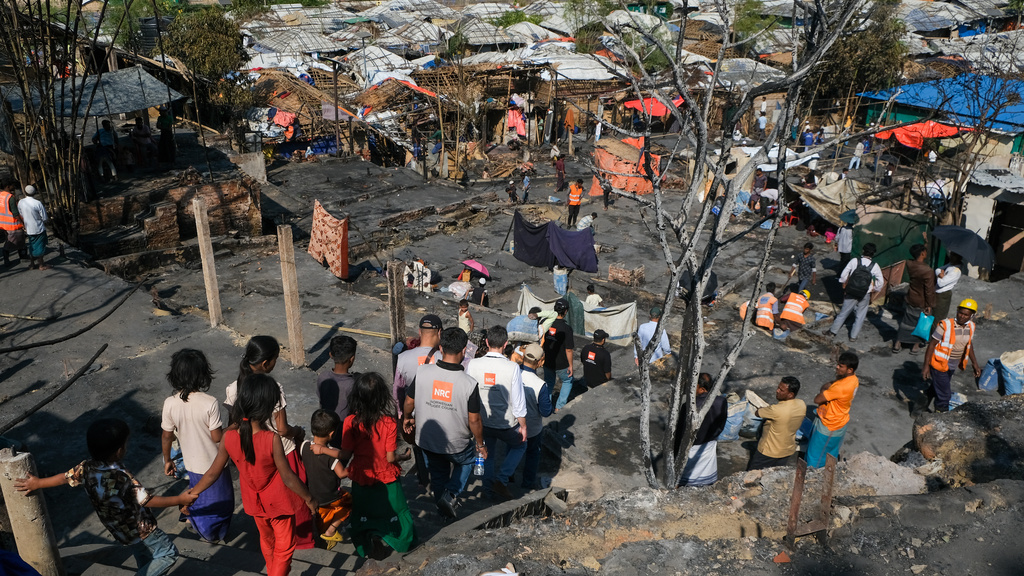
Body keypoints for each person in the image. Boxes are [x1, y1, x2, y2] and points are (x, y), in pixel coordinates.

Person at [15, 419, 195, 576]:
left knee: (145, 557)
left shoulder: (86, 467)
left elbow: (64, 477)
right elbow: (146, 500)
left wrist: (38, 483)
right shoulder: (121, 475)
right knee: (168, 553)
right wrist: (179, 500)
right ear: (119, 451)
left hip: (119, 530)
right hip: (142, 528)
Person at [191, 375, 318, 576]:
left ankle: (271, 570)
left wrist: (193, 493)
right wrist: (309, 498)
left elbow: (213, 472)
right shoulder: (271, 439)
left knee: (267, 540)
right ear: (267, 408)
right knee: (284, 548)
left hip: (254, 503)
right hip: (279, 504)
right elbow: (287, 476)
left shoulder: (229, 437)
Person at [224, 336, 313, 550]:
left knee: (264, 497)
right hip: (281, 449)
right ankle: (300, 542)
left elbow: (233, 425)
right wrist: (299, 431)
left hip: (251, 451)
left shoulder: (232, 388)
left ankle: (272, 540)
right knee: (294, 497)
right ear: (266, 363)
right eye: (275, 360)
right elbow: (282, 428)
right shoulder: (274, 387)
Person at [402, 327, 485, 519]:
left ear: (441, 348)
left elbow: (408, 402)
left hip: (428, 440)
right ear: (464, 351)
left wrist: (407, 417)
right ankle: (452, 494)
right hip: (457, 443)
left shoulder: (423, 372)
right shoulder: (469, 384)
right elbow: (474, 420)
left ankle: (443, 511)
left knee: (438, 475)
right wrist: (480, 444)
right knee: (468, 460)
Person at [336, 373, 415, 558]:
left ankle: (369, 538)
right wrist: (402, 457)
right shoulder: (388, 422)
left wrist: (325, 453)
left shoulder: (350, 422)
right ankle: (394, 538)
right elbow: (389, 458)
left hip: (362, 475)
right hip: (386, 476)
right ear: (381, 398)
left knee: (364, 511)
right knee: (395, 510)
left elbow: (345, 454)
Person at [160, 349, 232, 544]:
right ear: (202, 375)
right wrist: (233, 427)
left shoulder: (170, 403)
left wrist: (167, 460)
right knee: (220, 503)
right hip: (215, 464)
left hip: (191, 464)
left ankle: (193, 518)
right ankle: (210, 534)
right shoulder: (210, 403)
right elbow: (217, 436)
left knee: (198, 494)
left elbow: (166, 436)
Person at [467, 326, 528, 500]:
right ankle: (501, 480)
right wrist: (523, 426)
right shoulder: (512, 367)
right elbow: (518, 402)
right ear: (505, 344)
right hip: (506, 423)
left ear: (486, 342)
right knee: (520, 445)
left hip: (481, 421)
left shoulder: (473, 364)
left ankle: (487, 489)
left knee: (488, 453)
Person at [393, 314, 443, 487]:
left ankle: (424, 479)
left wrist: (401, 415)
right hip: (438, 412)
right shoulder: (443, 358)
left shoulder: (403, 358)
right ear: (439, 332)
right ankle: (437, 482)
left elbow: (397, 391)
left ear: (420, 332)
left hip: (412, 413)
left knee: (418, 446)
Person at [299, 410, 352, 550]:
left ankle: (323, 540)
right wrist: (355, 468)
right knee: (349, 503)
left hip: (313, 496)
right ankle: (331, 531)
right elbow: (341, 474)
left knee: (320, 520)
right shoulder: (331, 454)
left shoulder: (304, 447)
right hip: (332, 497)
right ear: (331, 434)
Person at [922, 299, 981, 413]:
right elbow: (932, 345)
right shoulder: (945, 325)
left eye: (966, 315)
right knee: (944, 395)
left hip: (952, 366)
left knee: (935, 388)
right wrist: (926, 366)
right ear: (957, 311)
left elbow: (969, 344)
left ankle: (918, 409)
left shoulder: (971, 327)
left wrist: (975, 364)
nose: (962, 316)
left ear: (971, 316)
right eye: (960, 313)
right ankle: (940, 417)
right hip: (939, 364)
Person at [806, 352, 859, 468]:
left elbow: (817, 399)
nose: (837, 367)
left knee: (815, 458)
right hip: (837, 420)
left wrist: (827, 387)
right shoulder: (853, 379)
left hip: (829, 425)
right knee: (829, 453)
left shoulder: (840, 387)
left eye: (841, 366)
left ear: (849, 370)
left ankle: (810, 478)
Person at [827, 243, 884, 342]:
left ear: (863, 251)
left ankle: (833, 331)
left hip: (851, 291)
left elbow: (844, 274)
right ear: (873, 253)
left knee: (844, 312)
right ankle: (853, 336)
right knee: (860, 315)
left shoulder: (854, 261)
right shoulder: (874, 266)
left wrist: (843, 283)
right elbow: (881, 282)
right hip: (865, 293)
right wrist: (875, 289)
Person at [677, 373, 727, 486]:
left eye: (694, 387)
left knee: (688, 475)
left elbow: (681, 431)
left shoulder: (689, 407)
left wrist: (676, 451)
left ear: (702, 389)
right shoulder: (721, 401)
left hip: (692, 446)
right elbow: (722, 424)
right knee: (707, 472)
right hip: (710, 443)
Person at [747, 377, 805, 470]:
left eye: (781, 390)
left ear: (790, 394)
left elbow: (758, 413)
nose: (777, 391)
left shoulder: (776, 410)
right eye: (778, 388)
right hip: (787, 450)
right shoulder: (801, 404)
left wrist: (762, 409)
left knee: (753, 477)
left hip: (768, 452)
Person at [519, 344, 553, 489]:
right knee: (532, 455)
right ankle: (527, 484)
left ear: (523, 356)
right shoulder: (541, 385)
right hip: (532, 427)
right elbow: (546, 412)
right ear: (540, 362)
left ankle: (507, 479)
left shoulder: (512, 373)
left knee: (512, 450)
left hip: (512, 424)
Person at [893, 244, 936, 355]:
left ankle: (898, 343)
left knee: (906, 321)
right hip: (922, 300)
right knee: (920, 323)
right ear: (922, 253)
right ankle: (915, 345)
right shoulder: (928, 271)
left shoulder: (909, 264)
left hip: (911, 296)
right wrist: (929, 304)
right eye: (925, 251)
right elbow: (929, 290)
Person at [316, 336, 358, 448]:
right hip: (344, 430)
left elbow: (320, 397)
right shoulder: (352, 384)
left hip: (324, 426)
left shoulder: (323, 377)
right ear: (352, 358)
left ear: (330, 355)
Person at [542, 299, 576, 410]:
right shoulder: (566, 328)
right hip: (561, 363)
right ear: (565, 311)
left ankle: (546, 406)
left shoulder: (546, 323)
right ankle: (559, 407)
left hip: (547, 360)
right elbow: (569, 349)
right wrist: (570, 365)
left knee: (549, 383)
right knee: (567, 380)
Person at [17, 185, 49, 270]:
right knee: (40, 247)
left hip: (29, 228)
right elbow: (45, 218)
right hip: (38, 228)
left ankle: (32, 264)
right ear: (34, 193)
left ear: (25, 192)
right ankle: (41, 265)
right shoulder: (37, 203)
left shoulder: (21, 202)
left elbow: (20, 213)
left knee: (32, 246)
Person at [0, 180, 26, 265]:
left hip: (3, 224)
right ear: (7, 186)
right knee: (15, 241)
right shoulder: (10, 197)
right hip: (12, 224)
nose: (13, 187)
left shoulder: (1, 195)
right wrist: (22, 223)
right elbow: (15, 213)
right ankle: (11, 258)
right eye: (12, 185)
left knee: (14, 240)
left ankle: (19, 256)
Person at [933, 253, 963, 321]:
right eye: (951, 255)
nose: (951, 257)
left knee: (938, 317)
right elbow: (937, 269)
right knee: (934, 315)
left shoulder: (956, 271)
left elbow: (941, 283)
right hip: (937, 292)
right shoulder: (950, 265)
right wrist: (941, 275)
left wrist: (940, 275)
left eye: (953, 256)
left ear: (959, 258)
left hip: (943, 294)